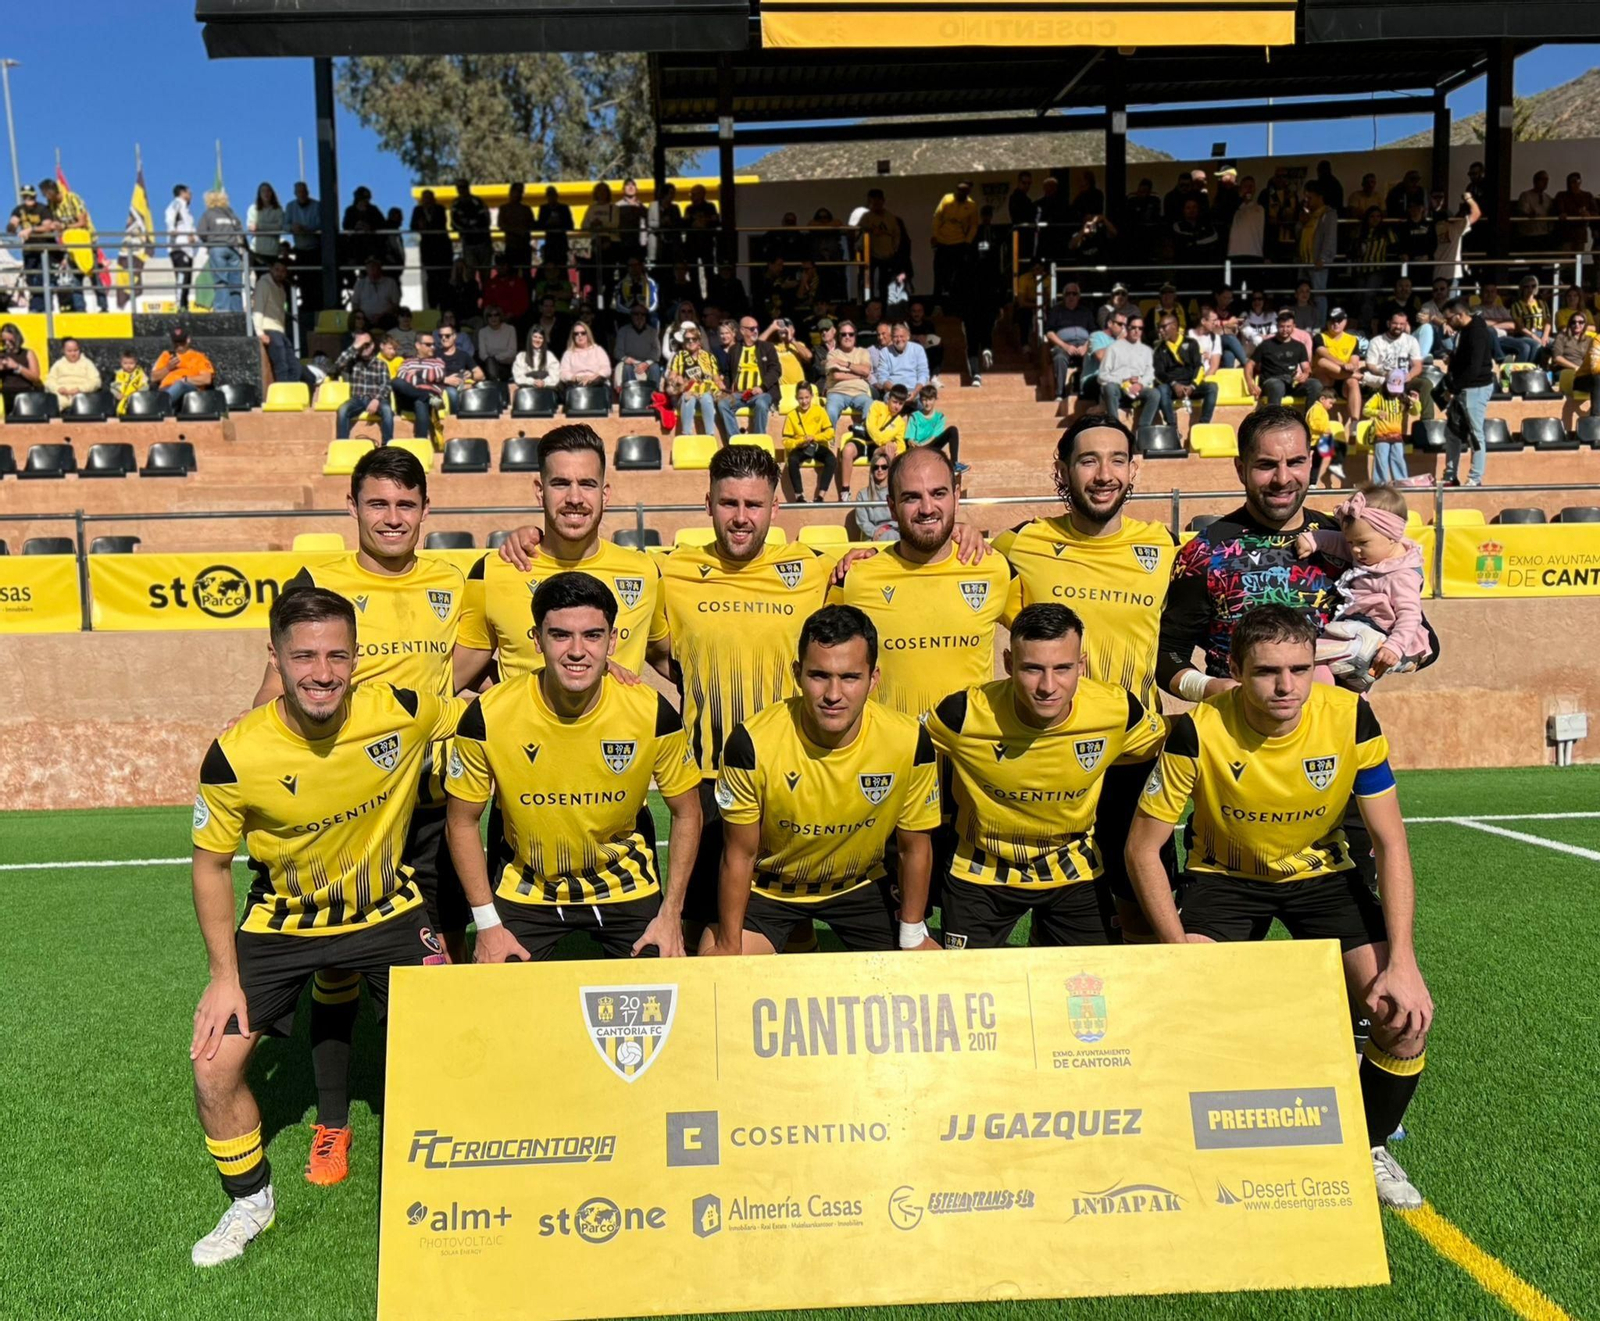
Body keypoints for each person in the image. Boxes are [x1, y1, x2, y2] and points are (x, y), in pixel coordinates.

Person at [187, 585, 464, 1267]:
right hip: (284, 920)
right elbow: (211, 866)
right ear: (276, 658)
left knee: (457, 1036)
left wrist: (610, 671)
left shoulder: (401, 710)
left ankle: (454, 1171)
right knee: (213, 1068)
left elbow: (492, 712)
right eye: (305, 656)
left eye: (338, 655)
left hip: (388, 911)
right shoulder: (236, 753)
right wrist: (223, 977)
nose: (322, 672)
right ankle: (250, 1201)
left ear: (356, 658)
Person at [1127, 604, 1433, 1210]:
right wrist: (1174, 952)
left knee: (1400, 1015)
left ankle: (1368, 1145)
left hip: (1323, 875)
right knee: (1181, 1010)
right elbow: (1142, 850)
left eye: (1299, 669)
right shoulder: (1197, 731)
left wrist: (1404, 961)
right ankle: (1186, 1148)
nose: (1286, 686)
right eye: (1267, 671)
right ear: (1236, 670)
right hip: (1225, 878)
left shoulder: (1351, 718)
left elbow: (1391, 842)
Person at [245, 450, 475, 1168]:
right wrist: (253, 763)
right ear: (352, 507)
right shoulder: (317, 583)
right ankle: (333, 1120)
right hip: (346, 815)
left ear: (426, 510)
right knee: (336, 965)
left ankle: (440, 1116)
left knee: (440, 961)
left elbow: (486, 660)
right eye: (378, 503)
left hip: (430, 807)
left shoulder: (456, 582)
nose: (392, 518)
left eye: (406, 504)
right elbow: (275, 687)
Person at [447, 569, 700, 962]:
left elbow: (687, 812)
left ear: (612, 641)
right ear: (537, 640)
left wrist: (671, 914)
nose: (577, 651)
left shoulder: (651, 712)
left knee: (664, 988)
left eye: (592, 635)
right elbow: (462, 822)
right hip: (528, 886)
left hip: (625, 883)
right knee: (497, 993)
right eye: (560, 635)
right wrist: (487, 923)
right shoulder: (489, 715)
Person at [991, 414, 1178, 940]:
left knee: (1143, 915)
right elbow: (949, 570)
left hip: (1134, 756)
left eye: (1117, 460)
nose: (1104, 474)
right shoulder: (1020, 544)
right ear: (1062, 471)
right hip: (1050, 760)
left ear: (1135, 469)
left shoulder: (1165, 547)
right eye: (1088, 461)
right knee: (1056, 917)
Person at [655, 446, 835, 939]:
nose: (740, 517)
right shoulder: (671, 571)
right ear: (708, 504)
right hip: (707, 780)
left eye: (753, 504)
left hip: (791, 777)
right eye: (728, 503)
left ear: (775, 507)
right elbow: (655, 646)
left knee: (792, 924)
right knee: (702, 927)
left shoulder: (812, 569)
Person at [925, 601, 1165, 949]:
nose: (1048, 686)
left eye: (1063, 668)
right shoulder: (963, 713)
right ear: (1008, 663)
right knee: (969, 981)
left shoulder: (1116, 710)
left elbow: (1176, 740)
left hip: (1073, 867)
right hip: (980, 870)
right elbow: (898, 746)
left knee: (1092, 978)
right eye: (1032, 669)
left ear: (1081, 666)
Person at [705, 605, 941, 955]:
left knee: (918, 974)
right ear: (797, 673)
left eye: (850, 677)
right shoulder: (751, 742)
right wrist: (728, 946)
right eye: (819, 675)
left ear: (874, 678)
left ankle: (803, 939)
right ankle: (796, 937)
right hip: (772, 888)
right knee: (719, 971)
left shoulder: (909, 740)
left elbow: (914, 847)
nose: (833, 694)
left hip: (860, 884)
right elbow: (740, 854)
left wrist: (912, 938)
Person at [458, 426, 668, 695]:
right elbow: (457, 671)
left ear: (604, 494)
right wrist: (514, 690)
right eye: (560, 484)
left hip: (620, 725)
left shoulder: (644, 572)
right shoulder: (494, 572)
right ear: (539, 491)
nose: (575, 498)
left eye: (587, 484)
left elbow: (667, 657)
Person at [827, 446, 1005, 716]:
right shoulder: (856, 578)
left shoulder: (993, 568)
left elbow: (1049, 648)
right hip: (892, 742)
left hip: (968, 742)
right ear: (892, 507)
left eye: (938, 494)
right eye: (912, 497)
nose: (927, 508)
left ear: (956, 498)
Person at [1296, 486, 1431, 689]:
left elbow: (1410, 615)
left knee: (1322, 650)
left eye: (1362, 543)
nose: (1355, 550)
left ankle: (1379, 657)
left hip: (1382, 632)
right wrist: (1313, 539)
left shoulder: (1402, 575)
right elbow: (1338, 542)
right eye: (1351, 542)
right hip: (1358, 624)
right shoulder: (1372, 551)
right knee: (1336, 664)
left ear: (1391, 536)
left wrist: (1394, 647)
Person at [1438, 298, 1495, 487]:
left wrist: (1453, 389)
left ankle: (1475, 478)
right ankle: (1450, 476)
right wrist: (1453, 358)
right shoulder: (1464, 330)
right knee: (1452, 432)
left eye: (1449, 319)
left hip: (1475, 388)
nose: (1447, 323)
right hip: (1462, 387)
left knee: (1475, 434)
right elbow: (1466, 358)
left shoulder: (1477, 332)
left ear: (1460, 315)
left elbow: (1474, 367)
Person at [715, 316, 781, 436]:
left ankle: (758, 440)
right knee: (722, 404)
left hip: (761, 393)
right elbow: (728, 373)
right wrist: (725, 389)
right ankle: (736, 440)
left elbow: (775, 370)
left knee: (761, 403)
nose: (755, 331)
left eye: (756, 328)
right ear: (742, 331)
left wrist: (762, 387)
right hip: (740, 394)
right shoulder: (734, 350)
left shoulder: (767, 347)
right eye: (751, 329)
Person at [1150, 314, 1217, 427]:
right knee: (1162, 389)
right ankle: (1172, 425)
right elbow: (1158, 373)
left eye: (1163, 327)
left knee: (1212, 387)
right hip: (1171, 387)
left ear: (1174, 326)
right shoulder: (1159, 349)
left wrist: (1193, 386)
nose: (1160, 331)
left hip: (1190, 385)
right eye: (1159, 327)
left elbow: (1199, 367)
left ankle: (1203, 424)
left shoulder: (1191, 343)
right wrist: (1174, 384)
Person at [330, 332, 394, 445]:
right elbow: (335, 367)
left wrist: (377, 400)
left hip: (376, 398)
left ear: (373, 345)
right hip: (357, 399)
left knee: (387, 411)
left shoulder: (381, 364)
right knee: (343, 410)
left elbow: (386, 385)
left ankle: (387, 446)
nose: (364, 348)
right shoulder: (352, 362)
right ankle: (342, 445)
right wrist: (355, 347)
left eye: (367, 344)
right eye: (361, 345)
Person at [252, 258, 309, 386]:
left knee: (295, 367)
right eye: (277, 270)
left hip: (280, 331)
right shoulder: (263, 284)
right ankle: (284, 394)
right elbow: (258, 308)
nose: (279, 273)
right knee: (282, 366)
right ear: (271, 269)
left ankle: (291, 392)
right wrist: (260, 332)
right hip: (269, 329)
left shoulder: (281, 289)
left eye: (283, 271)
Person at [1361, 369, 1422, 486]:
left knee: (1398, 458)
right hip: (1381, 435)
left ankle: (1402, 481)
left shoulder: (1403, 399)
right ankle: (1380, 484)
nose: (1394, 393)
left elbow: (1415, 412)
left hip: (1397, 436)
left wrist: (1416, 402)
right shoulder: (1378, 397)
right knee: (1381, 459)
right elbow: (1366, 410)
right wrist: (1377, 412)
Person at [1245, 310, 1316, 409]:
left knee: (1315, 384)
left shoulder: (1299, 346)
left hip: (1292, 383)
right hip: (1271, 382)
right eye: (1282, 326)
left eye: (1288, 326)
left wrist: (1305, 374)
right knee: (1277, 385)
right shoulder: (1266, 344)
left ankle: (1309, 416)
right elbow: (1249, 364)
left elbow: (1306, 367)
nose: (1285, 330)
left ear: (1294, 326)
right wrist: (1250, 383)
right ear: (1277, 326)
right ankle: (1274, 417)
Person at [782, 381, 837, 501]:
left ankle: (821, 495)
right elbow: (786, 441)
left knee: (831, 459)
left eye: (807, 397)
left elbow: (830, 432)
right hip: (801, 446)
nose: (804, 401)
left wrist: (815, 437)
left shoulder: (820, 411)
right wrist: (800, 442)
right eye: (801, 398)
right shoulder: (791, 415)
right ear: (796, 398)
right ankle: (799, 495)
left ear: (811, 396)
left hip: (817, 445)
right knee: (792, 460)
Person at [1311, 307, 1365, 428]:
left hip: (1343, 380)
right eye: (1332, 321)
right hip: (1325, 381)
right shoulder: (1320, 337)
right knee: (1322, 362)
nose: (1335, 324)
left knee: (1353, 381)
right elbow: (1322, 353)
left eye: (1339, 320)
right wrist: (1341, 364)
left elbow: (1354, 363)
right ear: (1327, 322)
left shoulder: (1353, 340)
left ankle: (1354, 422)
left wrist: (1350, 368)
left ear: (1345, 322)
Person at [1097, 314, 1155, 424]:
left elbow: (1150, 374)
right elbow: (1102, 375)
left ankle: (1143, 428)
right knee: (1109, 387)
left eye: (1140, 328)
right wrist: (1122, 380)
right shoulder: (1113, 348)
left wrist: (1140, 383)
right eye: (1133, 327)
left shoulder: (1147, 351)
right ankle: (1114, 424)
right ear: (1127, 328)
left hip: (1137, 389)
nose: (1137, 331)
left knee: (1155, 394)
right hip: (1118, 387)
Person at [667, 326, 723, 435]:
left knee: (706, 397)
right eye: (687, 339)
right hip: (687, 392)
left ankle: (709, 435)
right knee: (688, 397)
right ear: (684, 342)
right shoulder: (679, 356)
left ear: (699, 341)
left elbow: (716, 378)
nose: (691, 341)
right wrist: (675, 380)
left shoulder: (709, 357)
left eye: (694, 339)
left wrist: (720, 385)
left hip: (707, 391)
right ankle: (686, 434)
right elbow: (671, 376)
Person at [197, 189, 246, 313]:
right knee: (235, 282)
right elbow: (241, 232)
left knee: (221, 280)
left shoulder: (208, 214)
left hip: (217, 248)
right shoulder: (232, 214)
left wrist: (209, 242)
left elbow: (201, 232)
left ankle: (222, 310)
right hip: (234, 250)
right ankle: (237, 310)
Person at [1044, 284, 1096, 398]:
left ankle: (1087, 392)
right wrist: (1065, 346)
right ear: (1064, 296)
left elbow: (1094, 333)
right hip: (1063, 345)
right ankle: (1060, 393)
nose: (1071, 296)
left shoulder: (1086, 312)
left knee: (1094, 355)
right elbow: (1049, 333)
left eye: (1074, 294)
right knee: (1059, 357)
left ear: (1079, 296)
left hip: (1084, 345)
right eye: (1068, 294)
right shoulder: (1056, 311)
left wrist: (1086, 346)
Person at [822, 319, 874, 430]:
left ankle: (864, 435)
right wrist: (859, 375)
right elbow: (837, 375)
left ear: (855, 336)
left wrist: (845, 364)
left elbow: (866, 371)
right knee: (831, 410)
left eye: (851, 334)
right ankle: (829, 438)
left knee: (871, 406)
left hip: (860, 393)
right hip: (837, 392)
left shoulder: (863, 352)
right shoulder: (832, 355)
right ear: (838, 337)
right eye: (843, 334)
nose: (847, 337)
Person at [392, 331, 446, 437]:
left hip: (430, 399)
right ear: (418, 345)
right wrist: (426, 377)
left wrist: (417, 373)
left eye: (433, 344)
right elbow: (402, 375)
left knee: (420, 402)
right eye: (428, 344)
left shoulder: (438, 361)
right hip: (410, 398)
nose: (433, 347)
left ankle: (421, 440)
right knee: (396, 382)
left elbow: (438, 374)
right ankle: (425, 396)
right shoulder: (407, 362)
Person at [409, 188, 454, 312]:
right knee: (431, 278)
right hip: (427, 249)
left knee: (444, 277)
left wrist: (426, 227)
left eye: (429, 198)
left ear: (434, 199)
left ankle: (446, 306)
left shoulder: (440, 208)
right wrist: (420, 226)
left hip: (442, 248)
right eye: (425, 199)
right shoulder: (417, 210)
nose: (427, 201)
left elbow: (441, 224)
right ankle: (432, 306)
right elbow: (413, 226)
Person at [901, 384, 964, 470]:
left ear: (935, 399)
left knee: (953, 430)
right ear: (920, 400)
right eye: (924, 400)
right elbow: (910, 437)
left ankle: (954, 464)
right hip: (916, 448)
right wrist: (911, 442)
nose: (927, 403)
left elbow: (934, 437)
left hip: (931, 446)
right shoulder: (914, 416)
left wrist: (922, 445)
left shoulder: (940, 417)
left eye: (930, 399)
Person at [149, 327, 215, 407]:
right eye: (176, 342)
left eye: (181, 341)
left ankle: (159, 406)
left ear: (188, 340)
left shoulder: (199, 357)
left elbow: (206, 379)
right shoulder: (166, 355)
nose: (179, 344)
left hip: (189, 390)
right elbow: (153, 378)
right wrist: (167, 368)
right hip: (166, 390)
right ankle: (162, 404)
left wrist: (185, 380)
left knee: (180, 385)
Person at [612, 303, 661, 390]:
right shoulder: (623, 331)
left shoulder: (652, 332)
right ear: (631, 316)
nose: (639, 316)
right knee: (627, 368)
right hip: (630, 363)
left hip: (647, 364)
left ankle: (654, 394)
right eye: (636, 314)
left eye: (643, 314)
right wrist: (627, 359)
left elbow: (656, 351)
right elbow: (618, 351)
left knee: (655, 367)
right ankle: (630, 393)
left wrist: (646, 363)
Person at [43, 337, 101, 408]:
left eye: (75, 350)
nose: (73, 354)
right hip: (62, 396)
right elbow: (49, 381)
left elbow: (96, 381)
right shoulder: (58, 364)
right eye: (69, 351)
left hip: (81, 395)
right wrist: (58, 388)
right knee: (54, 403)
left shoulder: (87, 363)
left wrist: (80, 389)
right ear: (63, 351)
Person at [852, 452, 898, 542]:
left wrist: (887, 527)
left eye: (884, 467)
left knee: (891, 535)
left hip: (894, 530)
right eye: (876, 467)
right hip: (873, 536)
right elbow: (863, 522)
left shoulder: (896, 491)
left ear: (889, 469)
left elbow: (901, 518)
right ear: (872, 470)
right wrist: (876, 532)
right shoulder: (862, 495)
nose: (880, 470)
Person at [450, 180, 492, 275]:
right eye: (459, 188)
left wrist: (474, 226)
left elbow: (485, 219)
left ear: (468, 187)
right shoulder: (456, 204)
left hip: (483, 241)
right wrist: (465, 229)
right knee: (469, 273)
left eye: (464, 187)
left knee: (485, 272)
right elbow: (454, 222)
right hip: (468, 242)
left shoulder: (477, 201)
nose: (461, 190)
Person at [558, 321, 611, 394]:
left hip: (597, 383)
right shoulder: (568, 353)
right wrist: (576, 378)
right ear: (573, 336)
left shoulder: (598, 350)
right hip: (576, 385)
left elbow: (606, 369)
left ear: (588, 334)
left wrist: (592, 378)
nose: (580, 335)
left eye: (583, 333)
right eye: (576, 334)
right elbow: (563, 373)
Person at [1508, 278, 1552, 366]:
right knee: (1537, 345)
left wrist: (1545, 336)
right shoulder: (1516, 305)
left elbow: (1548, 321)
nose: (1530, 289)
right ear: (1522, 288)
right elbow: (1521, 327)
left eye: (1533, 286)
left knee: (1556, 344)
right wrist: (1534, 337)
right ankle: (1530, 368)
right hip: (1525, 335)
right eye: (1527, 286)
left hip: (1542, 334)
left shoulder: (1542, 303)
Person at [1225, 175, 1265, 265]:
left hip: (1255, 253)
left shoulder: (1260, 208)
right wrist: (1240, 196)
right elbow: (1226, 213)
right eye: (1246, 186)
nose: (1249, 189)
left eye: (1251, 186)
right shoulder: (1234, 207)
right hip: (1234, 254)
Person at [472, 304, 517, 382]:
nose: (493, 318)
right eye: (490, 315)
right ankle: (495, 382)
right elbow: (482, 355)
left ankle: (494, 383)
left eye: (496, 315)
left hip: (507, 365)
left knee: (491, 361)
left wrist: (495, 359)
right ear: (486, 318)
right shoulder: (483, 332)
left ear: (500, 316)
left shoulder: (510, 329)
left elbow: (512, 352)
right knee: (490, 363)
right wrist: (492, 361)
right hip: (488, 365)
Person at [245, 183, 284, 272]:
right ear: (259, 194)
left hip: (273, 251)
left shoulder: (278, 209)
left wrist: (259, 226)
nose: (266, 193)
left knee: (273, 278)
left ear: (272, 193)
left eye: (268, 191)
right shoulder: (253, 208)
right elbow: (251, 227)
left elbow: (279, 227)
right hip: (257, 251)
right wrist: (271, 227)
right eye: (263, 191)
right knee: (260, 278)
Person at [112, 350, 148, 416]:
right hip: (121, 399)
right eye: (125, 363)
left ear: (136, 362)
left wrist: (137, 394)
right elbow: (113, 387)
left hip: (136, 401)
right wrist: (117, 394)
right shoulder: (119, 374)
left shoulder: (140, 374)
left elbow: (145, 386)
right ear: (121, 363)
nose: (128, 366)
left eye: (131, 363)